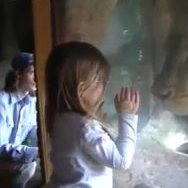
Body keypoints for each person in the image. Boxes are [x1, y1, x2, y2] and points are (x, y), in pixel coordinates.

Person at [45, 41, 140, 188]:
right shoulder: (86, 129)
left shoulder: (58, 117)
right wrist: (127, 116)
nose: (105, 87)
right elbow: (122, 161)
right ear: (82, 89)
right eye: (101, 81)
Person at [0, 52, 38, 188]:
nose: (37, 77)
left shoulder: (32, 103)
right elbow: (0, 147)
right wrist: (34, 152)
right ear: (19, 74)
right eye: (32, 72)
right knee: (29, 166)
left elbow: (34, 134)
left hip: (9, 160)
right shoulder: (2, 101)